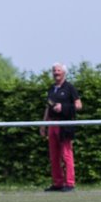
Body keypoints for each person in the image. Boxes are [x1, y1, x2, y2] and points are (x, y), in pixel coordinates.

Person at [40, 62, 83, 192]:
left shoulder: (69, 88)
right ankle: (57, 183)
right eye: (54, 71)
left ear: (63, 72)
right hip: (52, 124)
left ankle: (70, 183)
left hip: (64, 124)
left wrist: (63, 107)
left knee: (66, 154)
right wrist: (43, 124)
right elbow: (48, 107)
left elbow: (79, 105)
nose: (56, 73)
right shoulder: (51, 89)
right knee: (54, 155)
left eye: (58, 70)